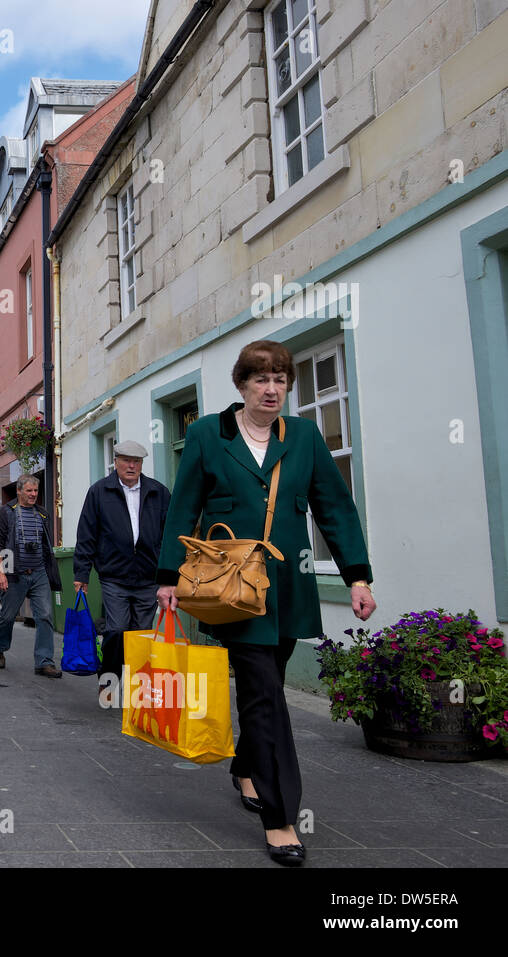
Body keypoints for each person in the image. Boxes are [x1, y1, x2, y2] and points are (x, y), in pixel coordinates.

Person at [156, 340, 375, 867]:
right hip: (233, 589)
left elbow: (333, 506)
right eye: (261, 380)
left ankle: (244, 767)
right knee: (264, 697)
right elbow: (185, 504)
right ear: (242, 385)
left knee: (267, 688)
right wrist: (167, 577)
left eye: (280, 379)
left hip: (289, 585)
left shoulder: (301, 437)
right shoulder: (209, 433)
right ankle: (279, 819)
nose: (272, 389)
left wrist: (357, 577)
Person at [71, 439, 171, 692]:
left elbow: (170, 534)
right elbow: (86, 534)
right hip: (113, 576)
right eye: (126, 460)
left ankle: (138, 688)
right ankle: (110, 680)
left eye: (136, 461)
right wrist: (82, 573)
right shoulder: (99, 492)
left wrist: (169, 574)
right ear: (115, 462)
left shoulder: (158, 492)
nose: (131, 466)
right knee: (116, 631)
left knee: (141, 634)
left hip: (148, 576)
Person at [0, 475, 63, 678]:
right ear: (19, 491)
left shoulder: (43, 514)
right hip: (14, 569)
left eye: (35, 491)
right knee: (8, 615)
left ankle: (44, 661)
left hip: (39, 572)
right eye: (29, 491)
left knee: (46, 615)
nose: (33, 495)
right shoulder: (7, 512)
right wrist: (1, 572)